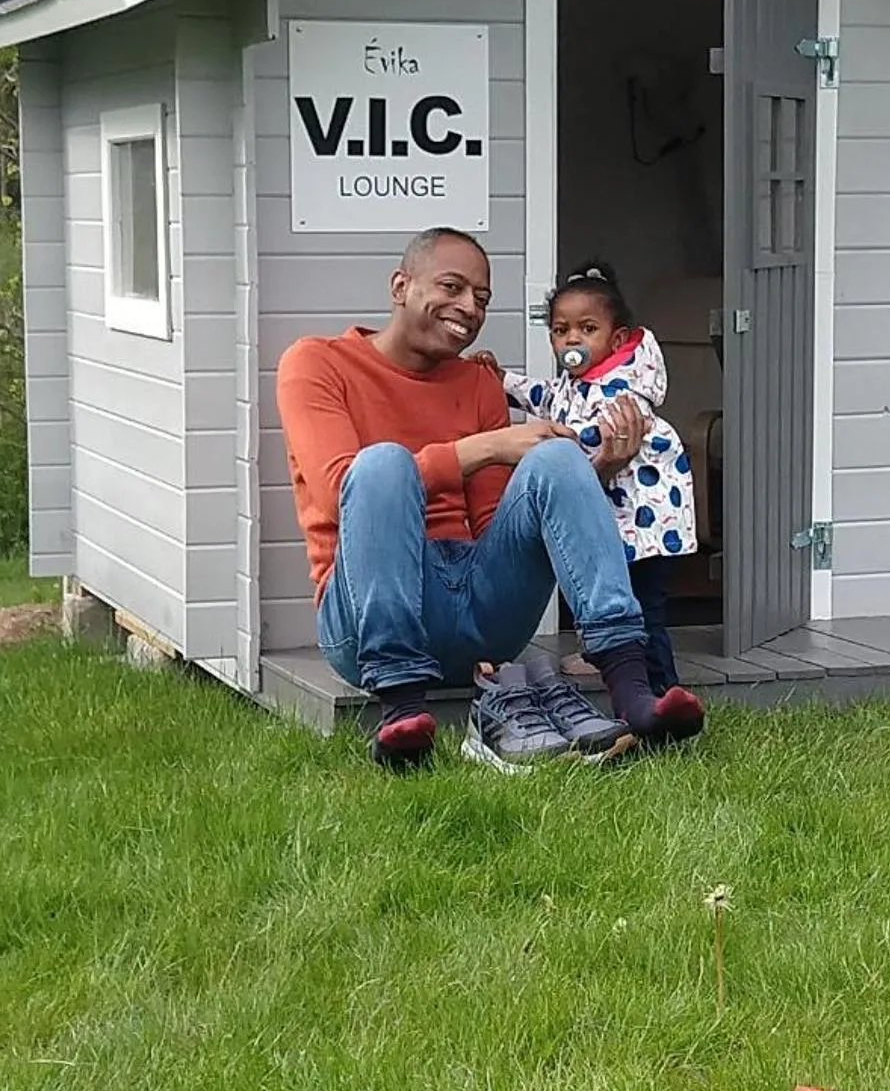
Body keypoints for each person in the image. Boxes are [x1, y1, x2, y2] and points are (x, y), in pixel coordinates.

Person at [275, 226, 705, 770]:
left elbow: (497, 522)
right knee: (382, 464)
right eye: (452, 287)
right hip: (366, 619)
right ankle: (401, 712)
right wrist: (484, 446)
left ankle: (633, 693)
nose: (468, 309)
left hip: (477, 608)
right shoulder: (316, 363)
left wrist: (594, 471)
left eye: (481, 299)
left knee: (556, 455)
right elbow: (340, 492)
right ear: (400, 285)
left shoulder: (479, 382)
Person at [493, 261, 696, 695]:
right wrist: (500, 381)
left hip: (647, 528)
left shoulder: (625, 387)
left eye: (587, 329)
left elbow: (595, 437)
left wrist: (551, 443)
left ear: (617, 338)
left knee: (642, 612)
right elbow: (544, 396)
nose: (572, 340)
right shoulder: (577, 383)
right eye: (561, 330)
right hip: (615, 524)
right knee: (607, 599)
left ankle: (665, 691)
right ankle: (612, 664)